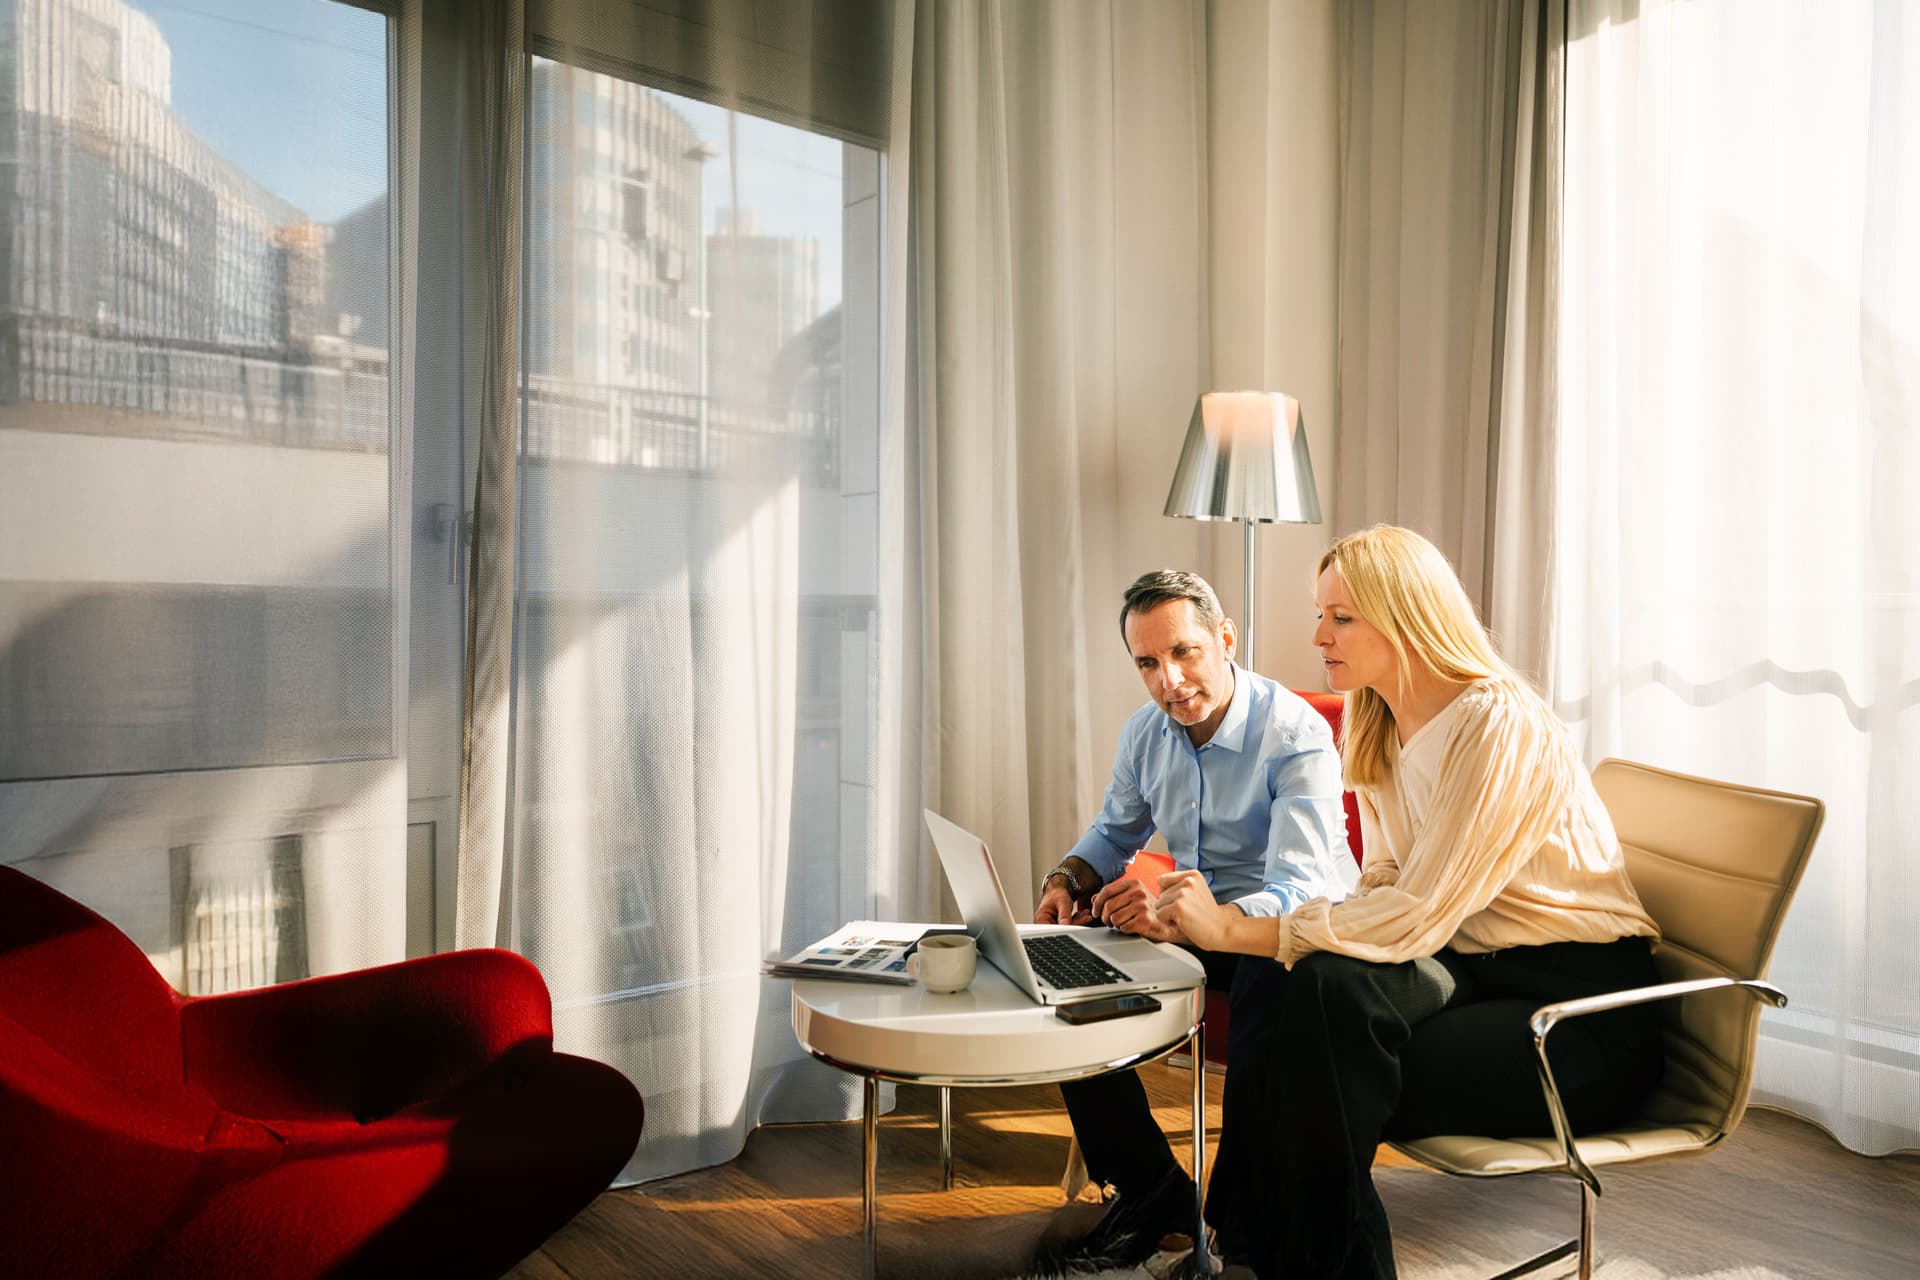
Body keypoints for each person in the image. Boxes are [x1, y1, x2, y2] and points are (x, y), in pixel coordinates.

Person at [1146, 526, 1664, 1279]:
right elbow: (1386, 882)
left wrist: (1231, 926)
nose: (1319, 636)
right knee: (1294, 983)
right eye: (1321, 614)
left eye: (1342, 617)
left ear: (1407, 617)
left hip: (1578, 1013)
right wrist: (1267, 942)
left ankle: (1279, 1255)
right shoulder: (1376, 716)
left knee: (1321, 1058)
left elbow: (1419, 910)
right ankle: (1249, 1245)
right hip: (1473, 963)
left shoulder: (1500, 722)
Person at [1035, 569, 1355, 1273]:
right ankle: (1152, 1192)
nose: (1169, 681)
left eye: (1184, 652)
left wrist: (1194, 922)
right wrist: (1068, 879)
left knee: (1271, 984)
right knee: (1073, 974)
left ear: (1225, 639)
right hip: (1195, 923)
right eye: (1148, 663)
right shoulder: (1146, 733)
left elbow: (1299, 889)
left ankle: (1241, 1229)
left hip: (1291, 931)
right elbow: (1113, 833)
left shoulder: (1294, 733)